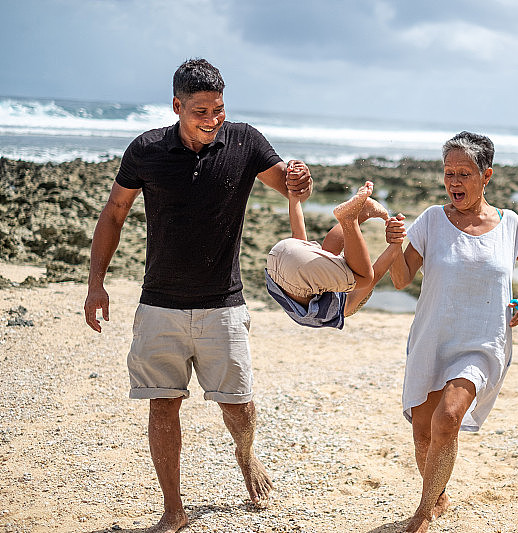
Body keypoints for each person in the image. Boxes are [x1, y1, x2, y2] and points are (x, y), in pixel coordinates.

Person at [83, 58, 313, 533]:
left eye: (219, 110)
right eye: (201, 111)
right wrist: (96, 284)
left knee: (239, 404)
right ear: (177, 106)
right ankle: (173, 508)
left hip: (224, 303)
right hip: (159, 304)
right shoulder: (145, 150)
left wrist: (299, 183)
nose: (212, 120)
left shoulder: (244, 141)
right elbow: (114, 213)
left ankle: (245, 456)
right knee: (163, 403)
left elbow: (285, 185)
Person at [388, 131, 518, 533]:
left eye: (464, 173)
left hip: (482, 342)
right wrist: (392, 245)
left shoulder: (510, 225)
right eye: (448, 173)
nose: (454, 182)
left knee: (450, 418)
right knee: (423, 431)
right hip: (433, 337)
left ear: (486, 175)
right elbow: (402, 279)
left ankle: (423, 512)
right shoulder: (431, 221)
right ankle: (438, 493)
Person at [265, 180, 406, 327]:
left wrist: (396, 242)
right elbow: (297, 251)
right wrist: (294, 199)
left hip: (288, 257)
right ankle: (352, 217)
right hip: (277, 258)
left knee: (366, 278)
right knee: (328, 256)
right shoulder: (320, 292)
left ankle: (355, 216)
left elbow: (376, 274)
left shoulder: (345, 306)